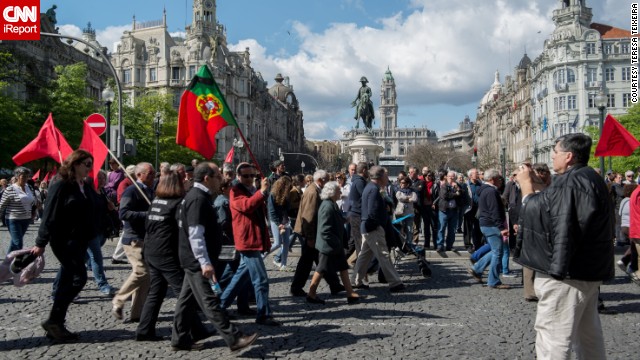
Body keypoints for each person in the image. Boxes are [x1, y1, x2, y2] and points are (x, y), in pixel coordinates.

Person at [514, 133, 614, 359]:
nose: (552, 155)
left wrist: (527, 186)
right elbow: (555, 203)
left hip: (566, 274)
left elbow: (545, 217)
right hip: (587, 271)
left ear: (568, 156)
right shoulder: (589, 177)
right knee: (587, 338)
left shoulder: (570, 182)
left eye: (555, 151)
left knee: (553, 336)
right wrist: (538, 184)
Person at [171, 162, 258, 352]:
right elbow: (195, 234)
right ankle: (234, 338)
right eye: (218, 176)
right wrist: (204, 262)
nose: (222, 179)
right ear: (206, 178)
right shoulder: (197, 199)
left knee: (186, 301)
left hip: (192, 258)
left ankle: (179, 339)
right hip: (196, 260)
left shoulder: (199, 196)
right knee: (209, 301)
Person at [32, 150, 98, 341]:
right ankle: (54, 319)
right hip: (64, 240)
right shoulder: (61, 183)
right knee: (79, 278)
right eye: (87, 164)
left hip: (80, 239)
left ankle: (56, 324)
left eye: (91, 164)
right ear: (75, 164)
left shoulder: (84, 184)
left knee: (68, 279)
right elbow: (49, 213)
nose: (89, 168)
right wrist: (40, 242)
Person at [136, 170, 210, 342]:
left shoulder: (156, 201)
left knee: (156, 292)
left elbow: (148, 225)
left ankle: (144, 329)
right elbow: (183, 230)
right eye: (181, 179)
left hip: (152, 251)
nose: (185, 181)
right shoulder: (177, 203)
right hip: (166, 253)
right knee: (184, 293)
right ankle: (195, 331)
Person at [223, 163, 280, 326]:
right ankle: (264, 314)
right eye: (245, 176)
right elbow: (246, 206)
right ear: (238, 176)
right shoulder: (235, 191)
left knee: (240, 278)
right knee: (261, 279)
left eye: (252, 176)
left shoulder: (252, 190)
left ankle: (219, 307)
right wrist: (262, 192)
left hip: (255, 238)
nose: (249, 179)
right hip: (247, 240)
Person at [290, 170, 345, 297]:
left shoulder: (315, 190)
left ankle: (334, 284)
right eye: (327, 179)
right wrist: (310, 237)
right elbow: (309, 216)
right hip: (311, 233)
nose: (329, 181)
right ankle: (297, 287)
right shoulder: (313, 192)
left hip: (314, 233)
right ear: (320, 180)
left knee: (321, 259)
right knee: (311, 261)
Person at [112, 163, 155, 323]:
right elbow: (123, 213)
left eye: (153, 174)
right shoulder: (131, 190)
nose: (153, 176)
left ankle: (137, 313)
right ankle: (119, 299)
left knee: (147, 277)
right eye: (149, 174)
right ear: (139, 175)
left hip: (146, 238)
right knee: (141, 272)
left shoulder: (150, 191)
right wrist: (147, 215)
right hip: (133, 239)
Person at [306, 181, 361, 305]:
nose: (340, 192)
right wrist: (335, 242)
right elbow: (325, 230)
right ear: (331, 192)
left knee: (343, 267)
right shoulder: (327, 206)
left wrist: (344, 220)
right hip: (329, 245)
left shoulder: (332, 204)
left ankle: (350, 293)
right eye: (338, 191)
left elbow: (335, 219)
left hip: (334, 244)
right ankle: (311, 293)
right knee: (321, 269)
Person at [352, 166, 405, 292]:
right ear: (380, 177)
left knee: (364, 256)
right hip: (373, 228)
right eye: (386, 176)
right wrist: (378, 225)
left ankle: (356, 281)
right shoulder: (373, 190)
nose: (388, 178)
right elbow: (372, 212)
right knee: (383, 255)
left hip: (368, 227)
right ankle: (395, 282)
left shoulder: (371, 187)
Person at [467, 169, 510, 289]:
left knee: (496, 251)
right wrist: (501, 227)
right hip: (491, 225)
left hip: (486, 224)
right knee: (498, 252)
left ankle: (477, 268)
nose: (500, 181)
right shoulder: (491, 191)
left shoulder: (485, 190)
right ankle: (493, 281)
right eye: (498, 179)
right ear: (492, 179)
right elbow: (494, 211)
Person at [86, 170, 118, 296]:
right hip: (89, 231)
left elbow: (104, 211)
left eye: (104, 178)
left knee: (83, 258)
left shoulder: (103, 192)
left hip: (101, 230)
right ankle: (103, 285)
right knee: (96, 257)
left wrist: (110, 207)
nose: (102, 180)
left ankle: (61, 284)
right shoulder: (88, 193)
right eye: (99, 177)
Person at [0, 167, 36, 254]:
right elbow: (2, 205)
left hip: (26, 219)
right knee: (18, 243)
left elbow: (32, 201)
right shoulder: (10, 189)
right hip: (13, 219)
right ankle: (16, 265)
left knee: (14, 243)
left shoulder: (29, 188)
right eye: (23, 176)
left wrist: (35, 207)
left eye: (27, 176)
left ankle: (6, 263)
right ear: (17, 177)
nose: (25, 179)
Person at [267, 176, 293, 271]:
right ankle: (261, 256)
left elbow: (288, 209)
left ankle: (283, 264)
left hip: (285, 220)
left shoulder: (286, 195)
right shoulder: (272, 195)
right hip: (276, 221)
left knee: (286, 243)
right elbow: (272, 211)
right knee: (277, 243)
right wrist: (278, 224)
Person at [346, 162, 368, 264]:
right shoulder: (359, 182)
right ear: (364, 170)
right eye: (367, 170)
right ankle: (360, 268)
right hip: (357, 215)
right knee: (358, 242)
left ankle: (340, 261)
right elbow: (365, 197)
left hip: (355, 214)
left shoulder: (358, 181)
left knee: (353, 242)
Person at [436, 171, 462, 252]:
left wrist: (457, 189)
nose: (451, 178)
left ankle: (449, 245)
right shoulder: (444, 186)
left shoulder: (457, 186)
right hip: (444, 210)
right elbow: (445, 196)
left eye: (453, 177)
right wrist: (456, 194)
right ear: (446, 177)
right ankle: (440, 245)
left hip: (453, 211)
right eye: (449, 176)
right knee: (441, 228)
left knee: (452, 230)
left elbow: (462, 194)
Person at [463, 168, 483, 252]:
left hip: (479, 209)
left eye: (478, 173)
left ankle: (478, 244)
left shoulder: (481, 184)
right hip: (469, 209)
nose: (478, 174)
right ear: (470, 175)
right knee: (468, 227)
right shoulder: (466, 185)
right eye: (476, 173)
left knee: (478, 227)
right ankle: (468, 245)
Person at [395, 178, 417, 247]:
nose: (401, 184)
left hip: (409, 214)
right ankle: (401, 245)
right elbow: (399, 197)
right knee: (401, 230)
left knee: (409, 230)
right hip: (400, 214)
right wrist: (408, 198)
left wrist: (405, 198)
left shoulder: (412, 192)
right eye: (400, 182)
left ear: (408, 184)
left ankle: (408, 245)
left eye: (403, 182)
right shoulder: (399, 191)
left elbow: (414, 199)